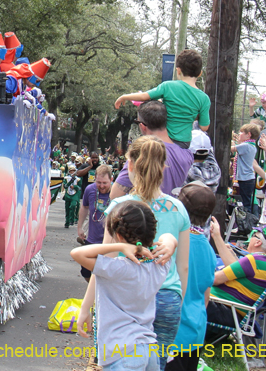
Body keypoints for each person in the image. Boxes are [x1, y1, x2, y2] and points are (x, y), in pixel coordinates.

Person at [80, 135, 190, 371]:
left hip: (122, 302)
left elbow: (102, 264)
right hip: (166, 298)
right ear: (163, 167)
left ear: (130, 166)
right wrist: (177, 302)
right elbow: (183, 267)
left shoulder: (120, 208)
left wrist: (86, 307)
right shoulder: (179, 208)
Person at [71, 200, 169, 371]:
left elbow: (77, 253)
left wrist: (120, 246)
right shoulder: (160, 265)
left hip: (121, 354)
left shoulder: (117, 268)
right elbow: (168, 238)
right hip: (149, 349)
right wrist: (171, 244)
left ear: (120, 236)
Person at [166, 183, 218, 371]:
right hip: (196, 328)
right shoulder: (207, 248)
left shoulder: (171, 243)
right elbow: (206, 296)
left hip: (171, 329)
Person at [114, 49, 210, 149]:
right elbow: (204, 127)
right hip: (184, 143)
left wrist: (124, 96)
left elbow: (144, 96)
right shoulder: (204, 98)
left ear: (178, 70)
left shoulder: (168, 86)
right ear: (200, 73)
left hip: (164, 140)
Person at [205, 221, 266, 341]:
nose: (249, 238)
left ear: (257, 242)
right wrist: (217, 236)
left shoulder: (254, 260)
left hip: (224, 312)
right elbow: (235, 268)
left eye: (253, 235)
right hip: (234, 314)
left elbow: (214, 280)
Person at [112, 102, 193, 200]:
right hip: (172, 210)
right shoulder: (187, 153)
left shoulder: (142, 152)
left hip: (144, 212)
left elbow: (115, 195)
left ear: (142, 126)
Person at [77, 166, 113, 279]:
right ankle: (93, 292)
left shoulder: (118, 192)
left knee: (105, 273)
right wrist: (80, 227)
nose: (101, 186)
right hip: (93, 238)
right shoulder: (90, 190)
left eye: (105, 183)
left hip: (110, 240)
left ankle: (100, 294)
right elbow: (84, 207)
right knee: (86, 271)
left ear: (111, 180)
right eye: (99, 182)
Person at [230, 123, 259, 211]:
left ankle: (245, 222)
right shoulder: (251, 145)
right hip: (247, 179)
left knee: (244, 204)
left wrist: (231, 139)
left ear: (248, 134)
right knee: (244, 203)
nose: (239, 134)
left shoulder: (246, 146)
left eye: (242, 132)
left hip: (245, 179)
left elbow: (232, 148)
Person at [63, 165, 82, 230]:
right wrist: (70, 182)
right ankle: (67, 222)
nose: (72, 172)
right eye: (71, 171)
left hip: (74, 194)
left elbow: (80, 188)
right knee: (67, 208)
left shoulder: (78, 179)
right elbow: (65, 186)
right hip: (68, 194)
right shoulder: (66, 178)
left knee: (73, 205)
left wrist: (75, 187)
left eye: (74, 171)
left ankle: (72, 219)